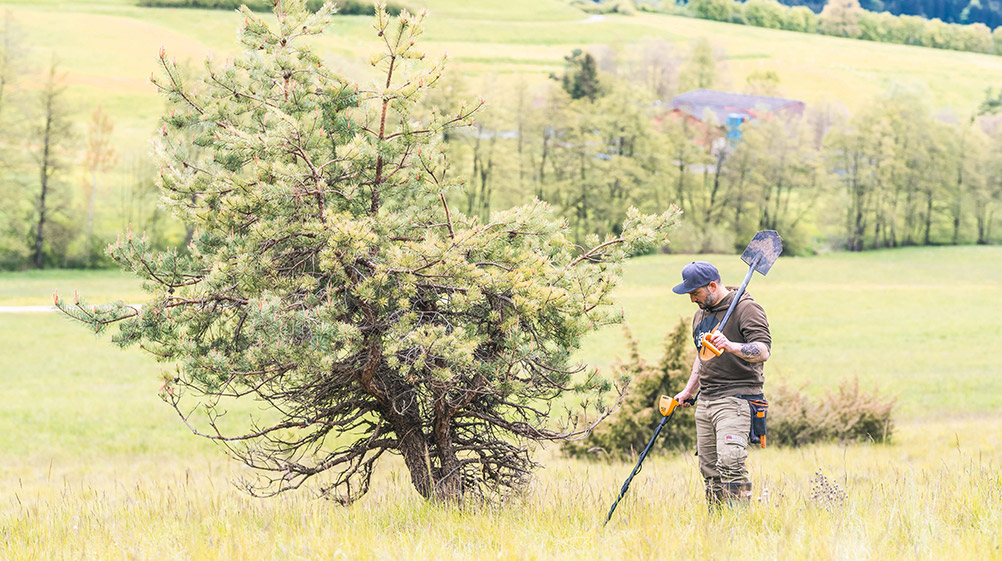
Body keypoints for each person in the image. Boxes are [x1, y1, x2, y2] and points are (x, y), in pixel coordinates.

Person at [671, 261, 771, 508]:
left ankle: (740, 523)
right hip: (706, 401)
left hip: (737, 399)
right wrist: (688, 390)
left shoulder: (746, 309)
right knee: (710, 470)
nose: (692, 300)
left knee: (731, 463)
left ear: (712, 286)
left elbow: (762, 350)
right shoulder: (701, 314)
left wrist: (730, 345)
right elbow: (701, 355)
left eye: (695, 293)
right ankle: (718, 526)